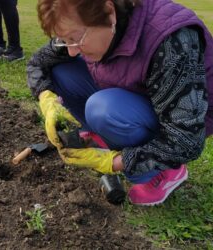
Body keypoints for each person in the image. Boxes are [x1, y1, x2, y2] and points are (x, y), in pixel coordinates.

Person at [27, 0, 213, 206]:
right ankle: (104, 136)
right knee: (60, 70)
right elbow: (38, 62)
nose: (71, 50)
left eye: (76, 38)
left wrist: (114, 162)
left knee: (103, 108)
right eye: (64, 40)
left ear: (109, 12)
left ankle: (162, 172)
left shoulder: (170, 40)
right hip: (136, 93)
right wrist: (46, 98)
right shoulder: (93, 29)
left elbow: (187, 140)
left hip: (182, 121)